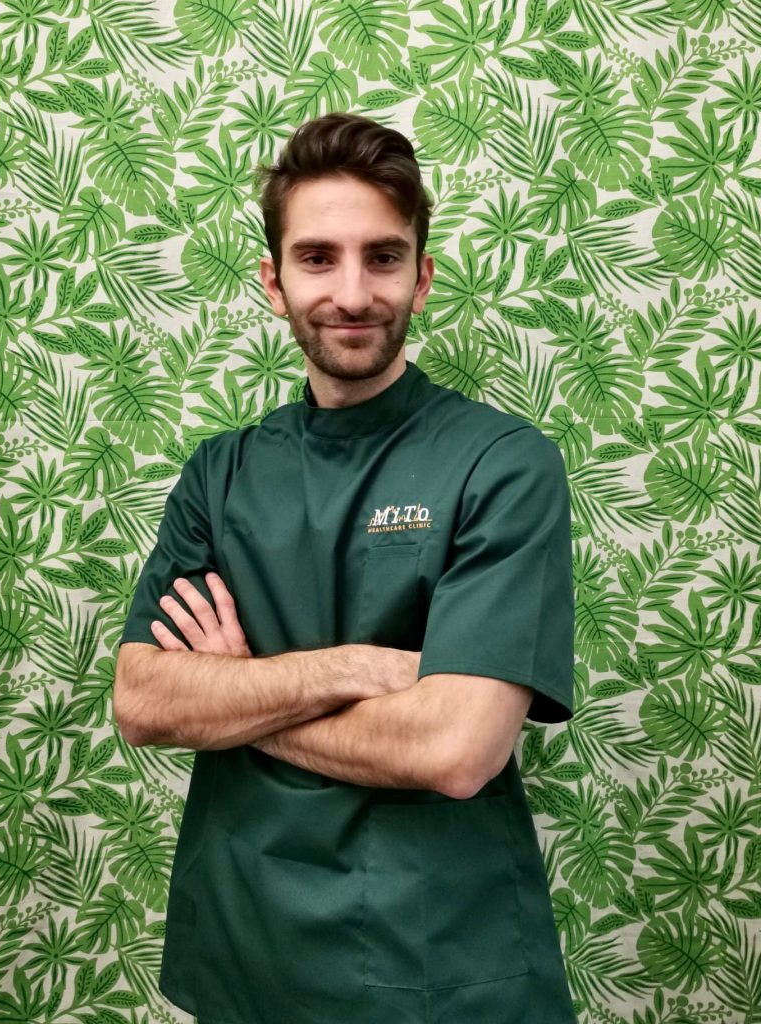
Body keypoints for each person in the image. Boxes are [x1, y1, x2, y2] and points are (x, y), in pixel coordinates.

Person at [113, 112, 577, 1024]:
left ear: (423, 277)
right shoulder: (221, 473)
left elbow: (454, 752)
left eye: (384, 257)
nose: (353, 293)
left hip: (434, 960)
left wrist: (238, 696)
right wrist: (356, 668)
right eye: (318, 258)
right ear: (274, 282)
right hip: (244, 947)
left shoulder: (502, 464)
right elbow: (143, 702)